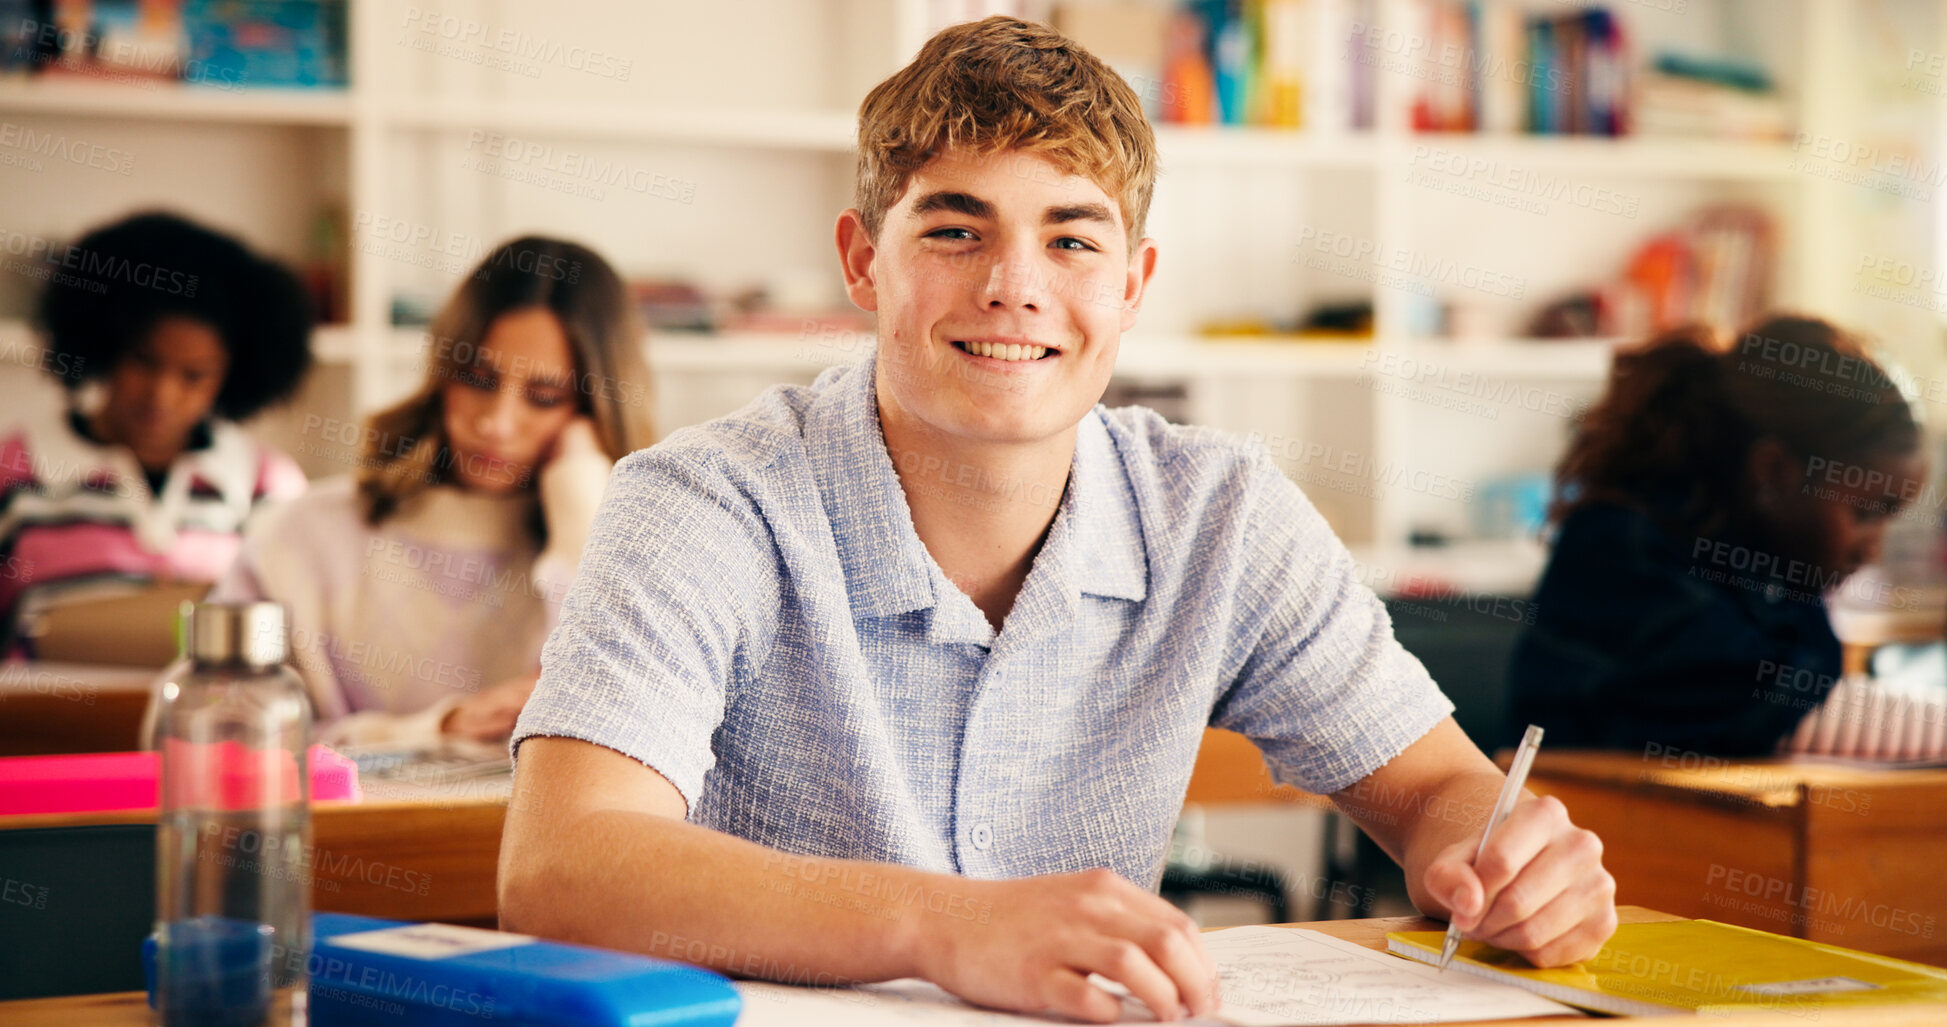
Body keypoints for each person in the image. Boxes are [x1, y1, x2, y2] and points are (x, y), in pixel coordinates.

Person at [501, 17, 1616, 1024]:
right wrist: (943, 923)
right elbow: (564, 865)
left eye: (1073, 240)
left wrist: (1495, 850)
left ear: (1133, 285)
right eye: (954, 231)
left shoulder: (1221, 512)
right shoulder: (702, 500)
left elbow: (1430, 786)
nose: (1014, 286)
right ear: (861, 262)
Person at [213, 237, 653, 748]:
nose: (496, 423)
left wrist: (585, 518)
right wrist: (428, 732)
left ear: (597, 409)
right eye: (478, 379)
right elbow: (204, 736)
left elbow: (616, 724)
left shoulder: (635, 555)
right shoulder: (302, 533)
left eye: (543, 397)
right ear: (443, 373)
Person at [1510, 315, 1925, 757]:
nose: (1873, 547)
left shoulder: (1768, 565)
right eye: (1864, 513)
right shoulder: (1626, 546)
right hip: (1580, 814)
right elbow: (1784, 707)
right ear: (1775, 472)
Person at [0, 211, 312, 657]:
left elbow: (299, 639)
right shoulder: (14, 468)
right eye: (145, 362)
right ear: (105, 346)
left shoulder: (266, 484)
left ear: (232, 375)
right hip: (39, 727)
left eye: (194, 376)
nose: (162, 395)